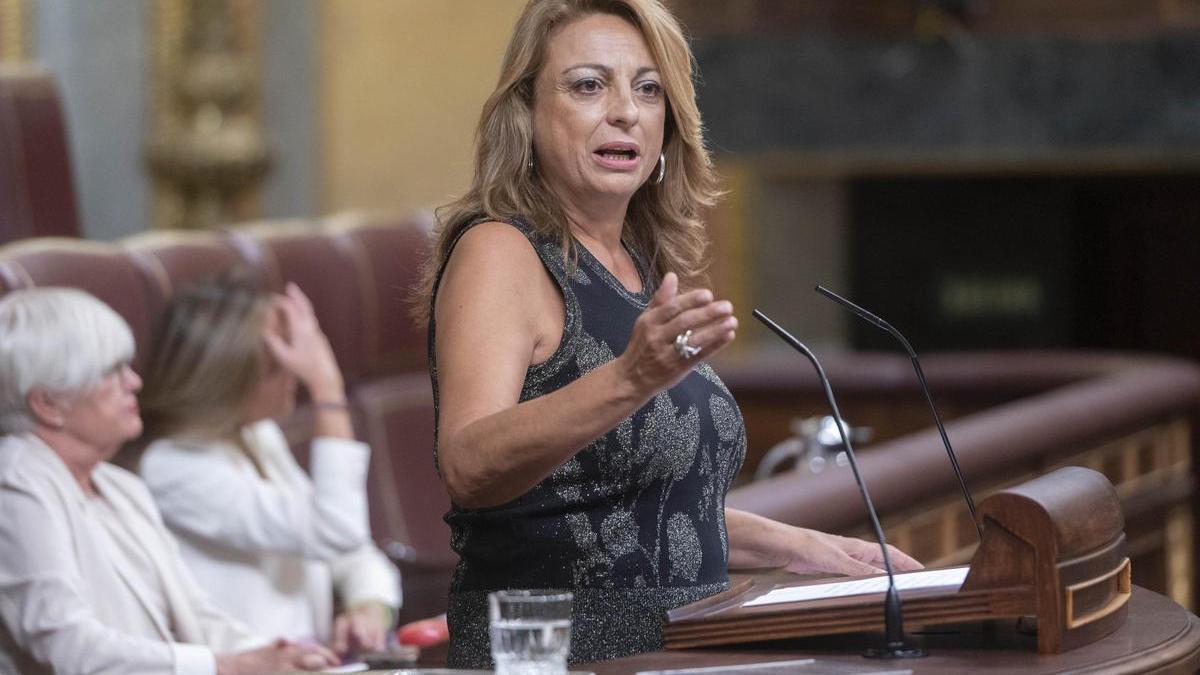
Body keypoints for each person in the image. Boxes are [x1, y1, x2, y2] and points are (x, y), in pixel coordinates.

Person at [416, 0, 923, 666]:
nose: (625, 110)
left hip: (679, 648)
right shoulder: (500, 251)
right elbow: (469, 465)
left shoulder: (636, 263)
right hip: (553, 653)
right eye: (588, 85)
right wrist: (629, 378)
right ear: (526, 114)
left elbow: (645, 514)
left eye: (648, 89)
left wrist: (800, 547)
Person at [0, 287, 338, 675]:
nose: (134, 382)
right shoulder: (16, 482)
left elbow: (196, 615)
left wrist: (279, 657)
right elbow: (67, 645)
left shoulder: (121, 487)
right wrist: (229, 666)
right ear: (48, 404)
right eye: (110, 372)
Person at [130, 277, 401, 657]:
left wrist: (369, 607)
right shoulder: (170, 466)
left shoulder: (258, 434)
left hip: (311, 662)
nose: (298, 370)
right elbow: (336, 527)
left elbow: (352, 549)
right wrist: (327, 388)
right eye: (281, 358)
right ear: (230, 375)